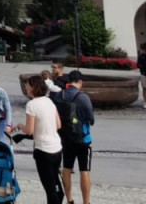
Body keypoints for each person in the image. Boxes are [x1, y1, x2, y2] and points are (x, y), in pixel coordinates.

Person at [16, 76, 64, 204]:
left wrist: (20, 126)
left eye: (27, 85)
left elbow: (29, 130)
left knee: (49, 188)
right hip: (56, 148)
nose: (25, 87)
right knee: (55, 182)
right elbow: (58, 124)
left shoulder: (31, 105)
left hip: (43, 150)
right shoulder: (49, 101)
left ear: (33, 87)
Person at [59, 70, 95, 204]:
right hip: (82, 138)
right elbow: (91, 119)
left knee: (67, 168)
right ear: (80, 82)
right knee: (84, 170)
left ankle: (69, 199)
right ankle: (86, 201)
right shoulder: (83, 97)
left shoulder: (60, 95)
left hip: (66, 137)